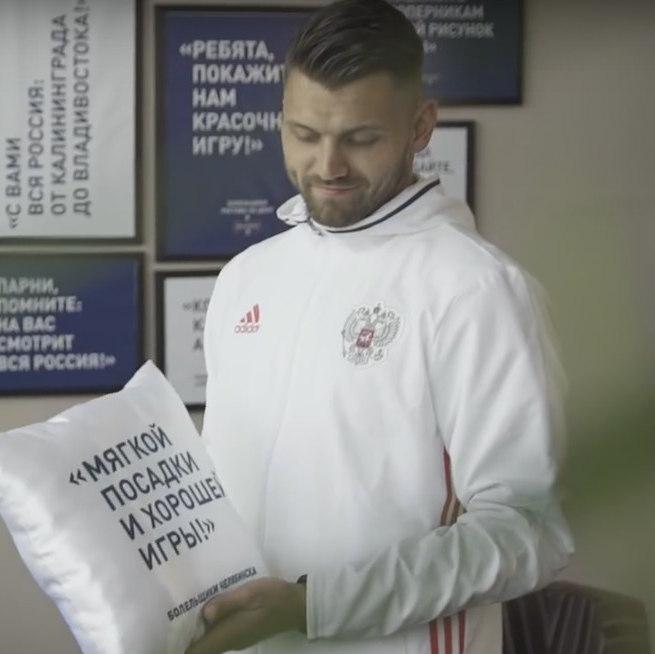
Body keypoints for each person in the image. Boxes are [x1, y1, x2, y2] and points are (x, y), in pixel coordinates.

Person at [186, 1, 575, 653]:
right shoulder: (246, 277)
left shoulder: (478, 289)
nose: (328, 165)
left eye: (360, 138)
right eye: (304, 134)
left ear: (420, 126)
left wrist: (314, 605)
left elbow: (528, 530)